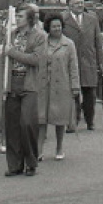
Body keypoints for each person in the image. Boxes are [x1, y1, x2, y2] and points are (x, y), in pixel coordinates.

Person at [3, 5, 45, 177]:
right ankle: (14, 164)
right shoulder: (10, 35)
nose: (17, 19)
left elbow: (36, 59)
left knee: (27, 123)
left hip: (29, 84)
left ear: (29, 19)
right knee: (12, 125)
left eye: (20, 16)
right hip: (12, 83)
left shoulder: (39, 37)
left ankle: (31, 161)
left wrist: (12, 53)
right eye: (16, 16)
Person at [36, 16, 79, 161]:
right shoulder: (42, 43)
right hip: (44, 87)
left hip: (62, 87)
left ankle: (59, 148)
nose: (57, 29)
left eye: (59, 26)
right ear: (49, 27)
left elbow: (73, 67)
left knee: (60, 119)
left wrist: (75, 87)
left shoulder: (69, 44)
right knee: (41, 119)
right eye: (54, 26)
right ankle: (39, 150)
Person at [61, 0, 103, 131]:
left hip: (89, 61)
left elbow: (98, 43)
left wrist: (101, 63)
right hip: (71, 62)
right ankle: (73, 121)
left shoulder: (92, 19)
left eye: (81, 3)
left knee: (90, 93)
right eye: (76, 3)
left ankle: (90, 120)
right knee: (72, 93)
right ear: (70, 6)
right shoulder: (64, 19)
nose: (80, 5)